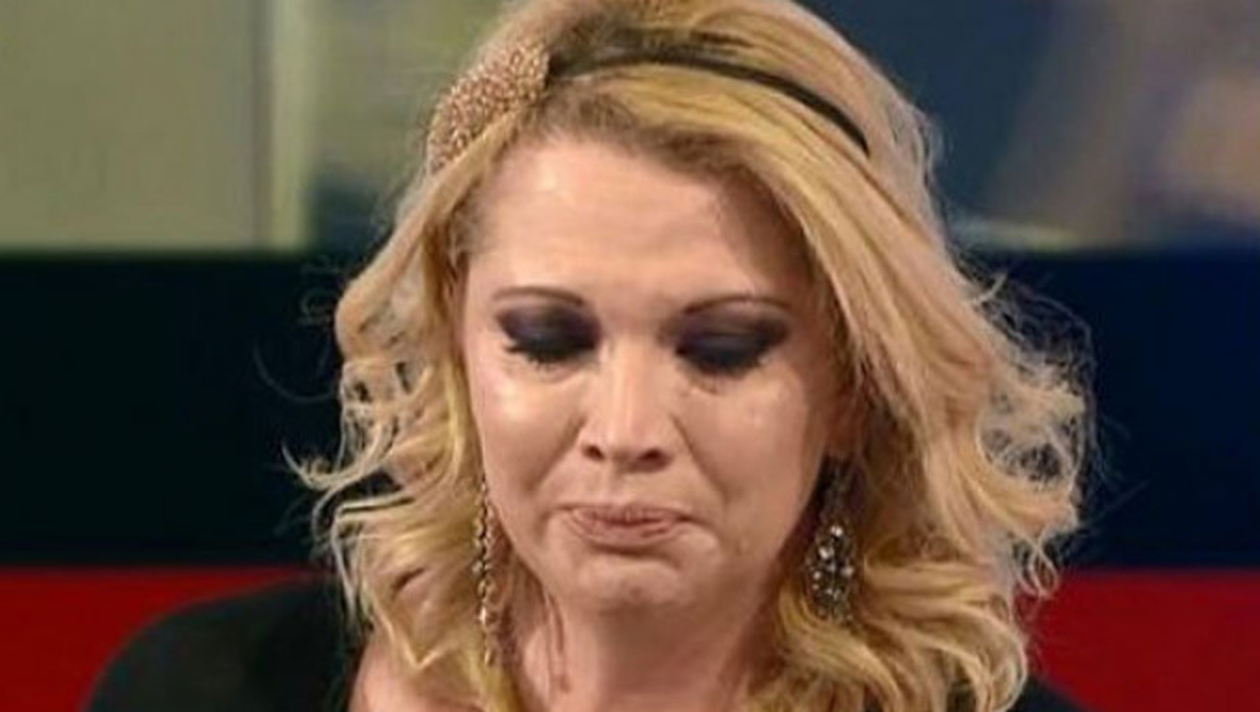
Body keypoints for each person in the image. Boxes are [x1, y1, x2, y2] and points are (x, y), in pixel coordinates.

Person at [87, 1, 1090, 711]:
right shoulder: (200, 688)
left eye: (722, 350)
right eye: (548, 341)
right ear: (456, 349)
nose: (625, 430)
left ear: (856, 390)